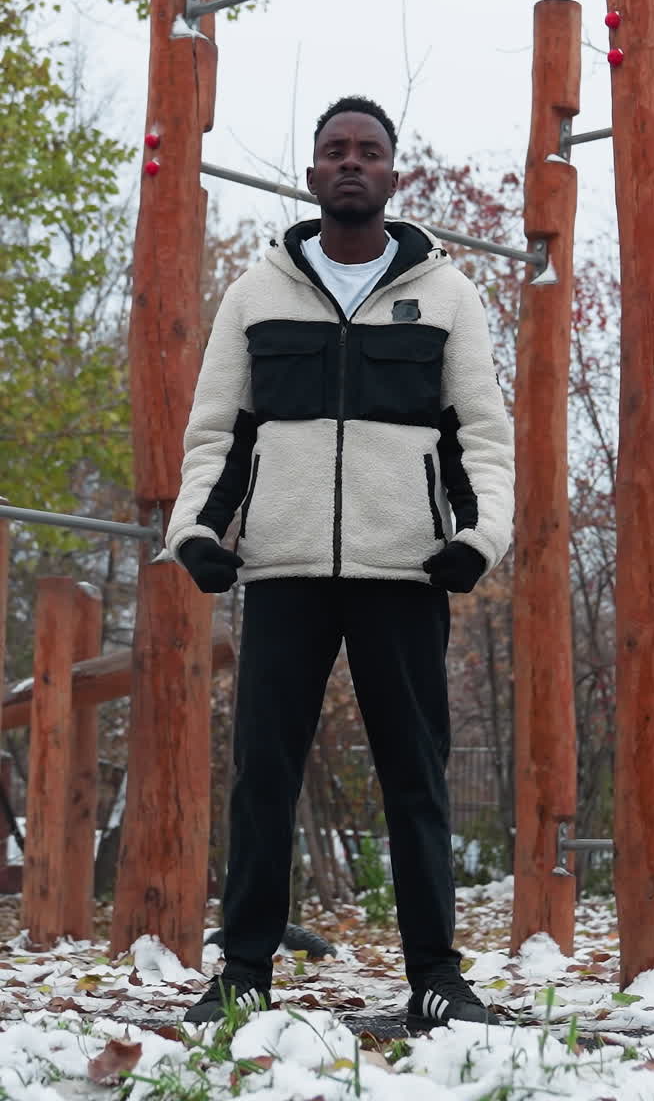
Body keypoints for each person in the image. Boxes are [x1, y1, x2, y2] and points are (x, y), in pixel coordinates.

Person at [166, 96, 514, 1030]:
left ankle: (438, 976)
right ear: (312, 171)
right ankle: (243, 973)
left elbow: (481, 433)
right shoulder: (256, 291)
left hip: (406, 574)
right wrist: (199, 531)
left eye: (369, 150)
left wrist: (478, 540)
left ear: (393, 174)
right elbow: (216, 433)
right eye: (335, 150)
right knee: (263, 776)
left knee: (418, 776)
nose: (351, 162)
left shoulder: (446, 294)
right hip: (282, 575)